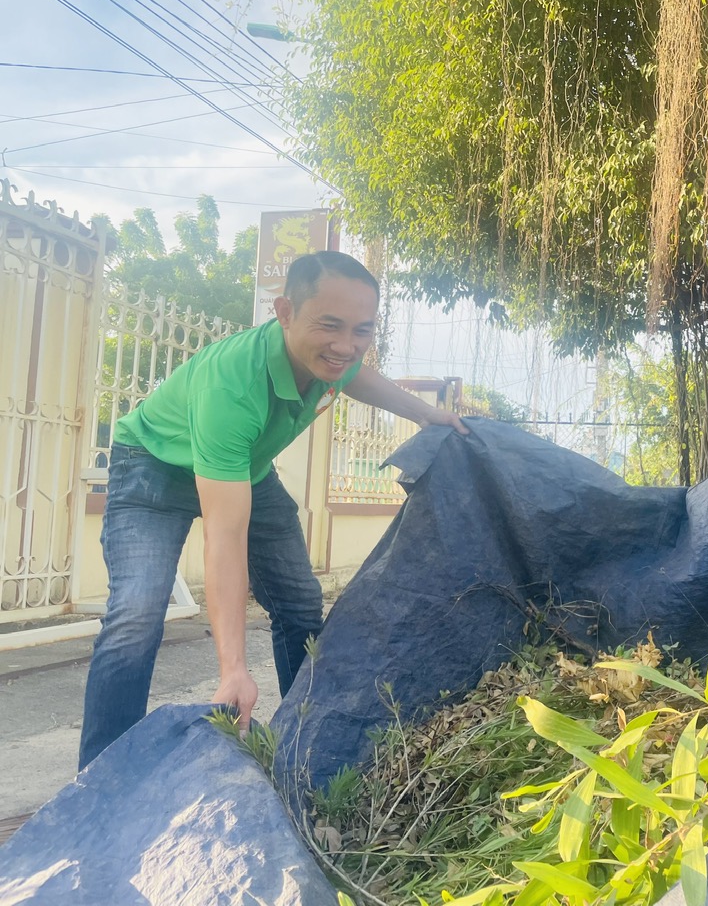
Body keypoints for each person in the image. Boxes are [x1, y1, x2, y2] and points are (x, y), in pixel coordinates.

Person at [79, 251, 469, 769]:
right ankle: (101, 776)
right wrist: (233, 668)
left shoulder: (332, 356)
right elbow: (225, 535)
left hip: (247, 469)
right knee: (136, 615)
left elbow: (355, 374)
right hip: (154, 465)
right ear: (284, 311)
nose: (345, 345)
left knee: (301, 604)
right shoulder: (232, 386)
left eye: (361, 330)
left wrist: (427, 415)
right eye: (330, 325)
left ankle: (309, 746)